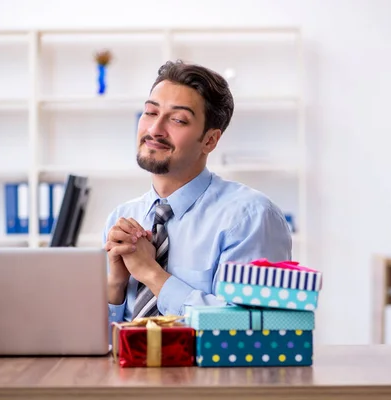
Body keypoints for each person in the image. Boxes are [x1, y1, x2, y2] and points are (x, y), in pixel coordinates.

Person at [103, 60, 292, 324]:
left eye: (178, 119)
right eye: (150, 112)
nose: (155, 130)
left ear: (209, 140)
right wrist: (115, 286)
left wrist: (151, 273)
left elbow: (252, 327)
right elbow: (97, 345)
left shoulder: (250, 217)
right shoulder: (121, 218)